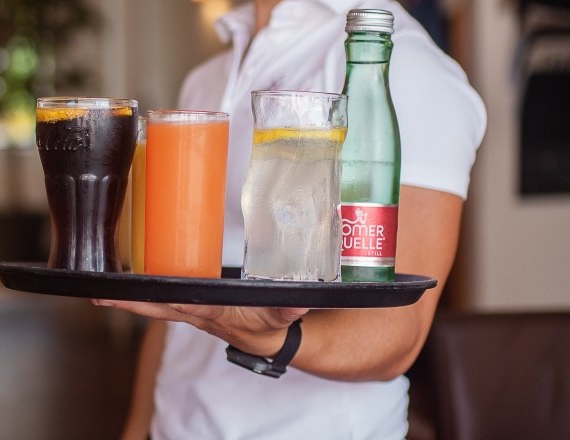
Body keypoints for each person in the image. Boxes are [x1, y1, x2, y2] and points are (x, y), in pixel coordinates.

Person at [101, 0, 487, 438]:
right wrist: (138, 428)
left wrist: (272, 340)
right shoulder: (205, 78)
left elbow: (397, 335)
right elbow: (177, 302)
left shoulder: (403, 67)